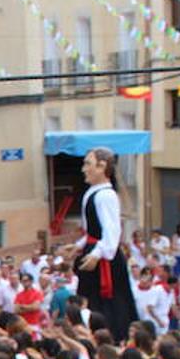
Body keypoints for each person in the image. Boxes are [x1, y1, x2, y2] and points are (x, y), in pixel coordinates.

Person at [70, 146, 137, 340]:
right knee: (90, 301)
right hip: (94, 250)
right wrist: (80, 245)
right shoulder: (94, 192)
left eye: (88, 164)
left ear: (102, 167)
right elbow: (94, 230)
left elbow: (111, 232)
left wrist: (97, 254)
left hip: (104, 258)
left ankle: (112, 337)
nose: (84, 169)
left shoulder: (106, 195)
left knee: (109, 304)